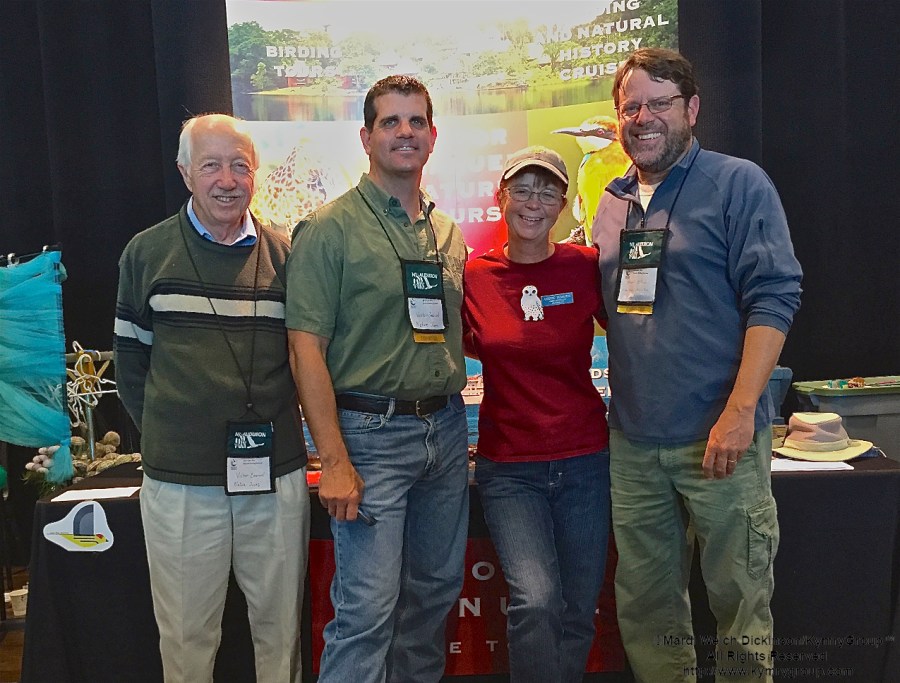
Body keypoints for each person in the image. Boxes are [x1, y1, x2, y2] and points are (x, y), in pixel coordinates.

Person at [592, 48, 803, 682]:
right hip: (635, 442)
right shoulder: (611, 201)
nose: (643, 118)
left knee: (740, 601)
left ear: (692, 109)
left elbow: (775, 297)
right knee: (647, 605)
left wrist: (740, 413)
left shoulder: (737, 183)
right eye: (631, 106)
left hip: (721, 436)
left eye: (659, 103)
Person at [285, 76, 469, 683]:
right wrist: (334, 461)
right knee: (366, 613)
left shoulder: (447, 233)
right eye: (390, 122)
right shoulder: (329, 229)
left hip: (445, 433)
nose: (404, 133)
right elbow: (305, 351)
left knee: (432, 599)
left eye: (416, 122)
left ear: (433, 137)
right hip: (370, 439)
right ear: (366, 138)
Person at [114, 113, 309, 683]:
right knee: (187, 638)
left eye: (239, 166)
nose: (227, 180)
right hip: (180, 485)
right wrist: (176, 438)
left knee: (281, 632)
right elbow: (131, 367)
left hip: (274, 476)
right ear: (185, 173)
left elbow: (305, 361)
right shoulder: (146, 254)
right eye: (211, 166)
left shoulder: (287, 256)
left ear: (255, 174)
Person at [462, 146, 611, 683]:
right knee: (537, 599)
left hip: (585, 460)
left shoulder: (585, 266)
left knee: (578, 606)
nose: (533, 202)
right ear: (501, 198)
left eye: (547, 192)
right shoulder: (474, 276)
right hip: (510, 468)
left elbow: (635, 331)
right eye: (522, 190)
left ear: (563, 206)